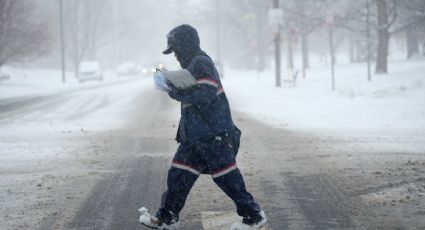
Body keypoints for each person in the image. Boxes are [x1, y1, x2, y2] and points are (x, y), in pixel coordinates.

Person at [139, 24, 267, 230]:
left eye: (176, 50)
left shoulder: (201, 62)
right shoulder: (192, 65)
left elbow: (206, 93)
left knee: (227, 177)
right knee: (178, 176)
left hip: (212, 134)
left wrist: (176, 92)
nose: (175, 56)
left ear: (184, 46)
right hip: (195, 136)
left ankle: (253, 215)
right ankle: (167, 218)